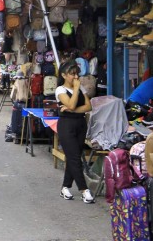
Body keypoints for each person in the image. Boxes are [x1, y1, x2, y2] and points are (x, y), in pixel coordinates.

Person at [55, 60, 93, 204]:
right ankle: (84, 190)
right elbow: (70, 103)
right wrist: (76, 90)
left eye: (76, 73)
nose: (75, 77)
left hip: (80, 124)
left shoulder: (81, 88)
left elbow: (88, 106)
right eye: (72, 74)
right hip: (66, 125)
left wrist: (73, 109)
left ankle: (65, 187)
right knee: (75, 158)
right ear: (64, 75)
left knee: (74, 156)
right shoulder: (60, 90)